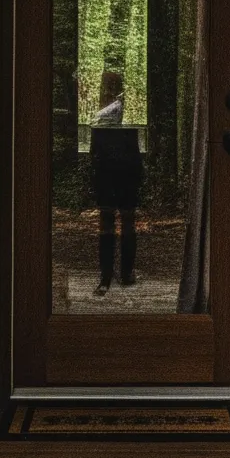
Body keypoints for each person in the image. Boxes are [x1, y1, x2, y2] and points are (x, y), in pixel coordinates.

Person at [89, 67, 142, 292]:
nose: (110, 90)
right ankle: (111, 275)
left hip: (117, 169)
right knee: (113, 221)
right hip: (116, 170)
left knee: (115, 221)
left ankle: (113, 275)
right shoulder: (109, 112)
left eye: (112, 86)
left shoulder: (108, 112)